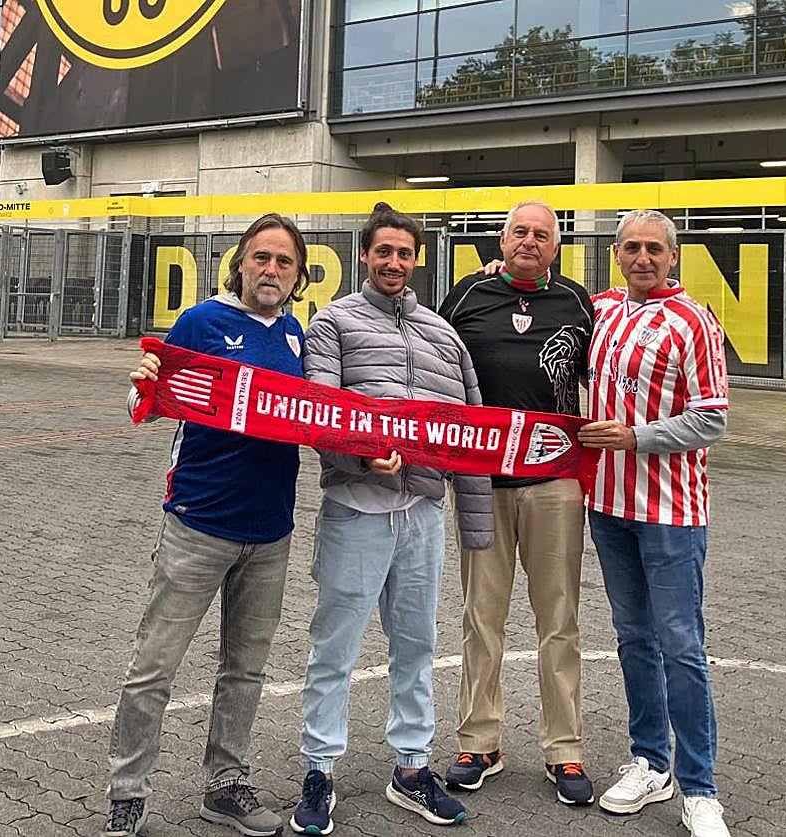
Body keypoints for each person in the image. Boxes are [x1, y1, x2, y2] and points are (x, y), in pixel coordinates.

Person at [103, 214, 311, 837]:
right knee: (154, 667)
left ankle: (225, 785)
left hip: (270, 531)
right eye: (261, 258)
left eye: (284, 262)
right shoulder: (200, 323)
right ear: (240, 263)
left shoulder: (296, 335)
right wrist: (140, 387)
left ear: (298, 276)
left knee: (245, 670)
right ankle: (127, 792)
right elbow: (149, 398)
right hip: (198, 524)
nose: (271, 270)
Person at [290, 202, 494, 835]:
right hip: (355, 511)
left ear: (417, 259)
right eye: (384, 251)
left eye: (405, 253)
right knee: (335, 647)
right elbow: (318, 411)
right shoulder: (333, 322)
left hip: (422, 515)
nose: (394, 262)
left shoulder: (444, 335)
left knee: (417, 645)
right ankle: (319, 769)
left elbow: (472, 436)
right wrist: (358, 457)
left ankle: (411, 766)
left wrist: (477, 527)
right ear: (365, 255)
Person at [436, 200, 596, 806]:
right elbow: (432, 365)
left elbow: (607, 376)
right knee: (482, 616)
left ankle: (564, 749)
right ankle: (480, 742)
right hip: (483, 483)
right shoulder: (465, 297)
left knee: (559, 619)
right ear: (501, 241)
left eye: (541, 235)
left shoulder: (579, 304)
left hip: (555, 483)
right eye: (519, 232)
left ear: (557, 246)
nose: (529, 241)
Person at [578, 210, 732, 837]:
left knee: (681, 646)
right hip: (607, 507)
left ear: (673, 256)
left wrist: (636, 437)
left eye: (654, 249)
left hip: (671, 513)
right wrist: (499, 270)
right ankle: (650, 762)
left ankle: (701, 788)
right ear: (616, 254)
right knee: (633, 638)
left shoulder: (694, 320)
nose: (643, 258)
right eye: (632, 248)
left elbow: (713, 416)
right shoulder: (600, 310)